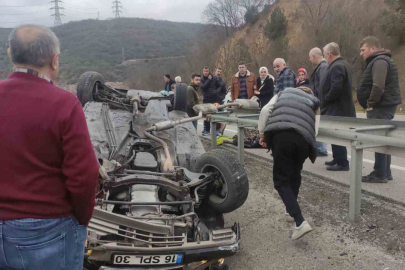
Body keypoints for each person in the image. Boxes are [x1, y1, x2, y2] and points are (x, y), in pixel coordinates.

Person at [0, 25, 99, 269]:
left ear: (11, 55)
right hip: (46, 231)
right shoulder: (64, 104)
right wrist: (81, 219)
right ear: (55, 61)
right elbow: (84, 175)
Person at [258, 86, 320, 240]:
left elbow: (265, 111)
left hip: (283, 136)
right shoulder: (315, 102)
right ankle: (289, 210)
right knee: (294, 174)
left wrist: (262, 133)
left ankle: (299, 221)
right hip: (304, 140)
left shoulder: (283, 93)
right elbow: (316, 129)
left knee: (280, 180)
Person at [358, 36, 402, 183]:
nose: (361, 53)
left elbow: (378, 86)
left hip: (381, 106)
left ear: (373, 48)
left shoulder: (380, 62)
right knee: (382, 138)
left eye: (363, 50)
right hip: (383, 104)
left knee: (378, 139)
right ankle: (385, 171)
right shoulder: (379, 61)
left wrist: (370, 103)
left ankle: (379, 173)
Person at [322, 42, 356, 171]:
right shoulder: (343, 64)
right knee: (334, 134)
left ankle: (342, 162)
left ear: (329, 54)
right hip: (339, 107)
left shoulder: (337, 66)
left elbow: (336, 87)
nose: (325, 57)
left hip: (337, 108)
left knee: (336, 134)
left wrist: (326, 98)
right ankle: (337, 158)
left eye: (325, 55)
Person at [309, 47, 329, 157]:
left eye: (310, 57)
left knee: (319, 124)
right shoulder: (321, 67)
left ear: (315, 56)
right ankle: (320, 147)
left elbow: (322, 86)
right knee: (317, 124)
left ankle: (322, 148)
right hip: (318, 100)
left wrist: (319, 101)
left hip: (320, 101)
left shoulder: (323, 67)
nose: (309, 59)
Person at [200, 66, 222, 135]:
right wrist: (208, 80)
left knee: (216, 115)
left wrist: (216, 92)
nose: (206, 73)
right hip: (206, 100)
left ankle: (217, 130)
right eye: (205, 71)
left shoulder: (214, 78)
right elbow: (203, 87)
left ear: (209, 71)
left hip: (215, 99)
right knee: (207, 116)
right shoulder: (201, 79)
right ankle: (207, 130)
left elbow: (220, 86)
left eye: (207, 71)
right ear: (203, 72)